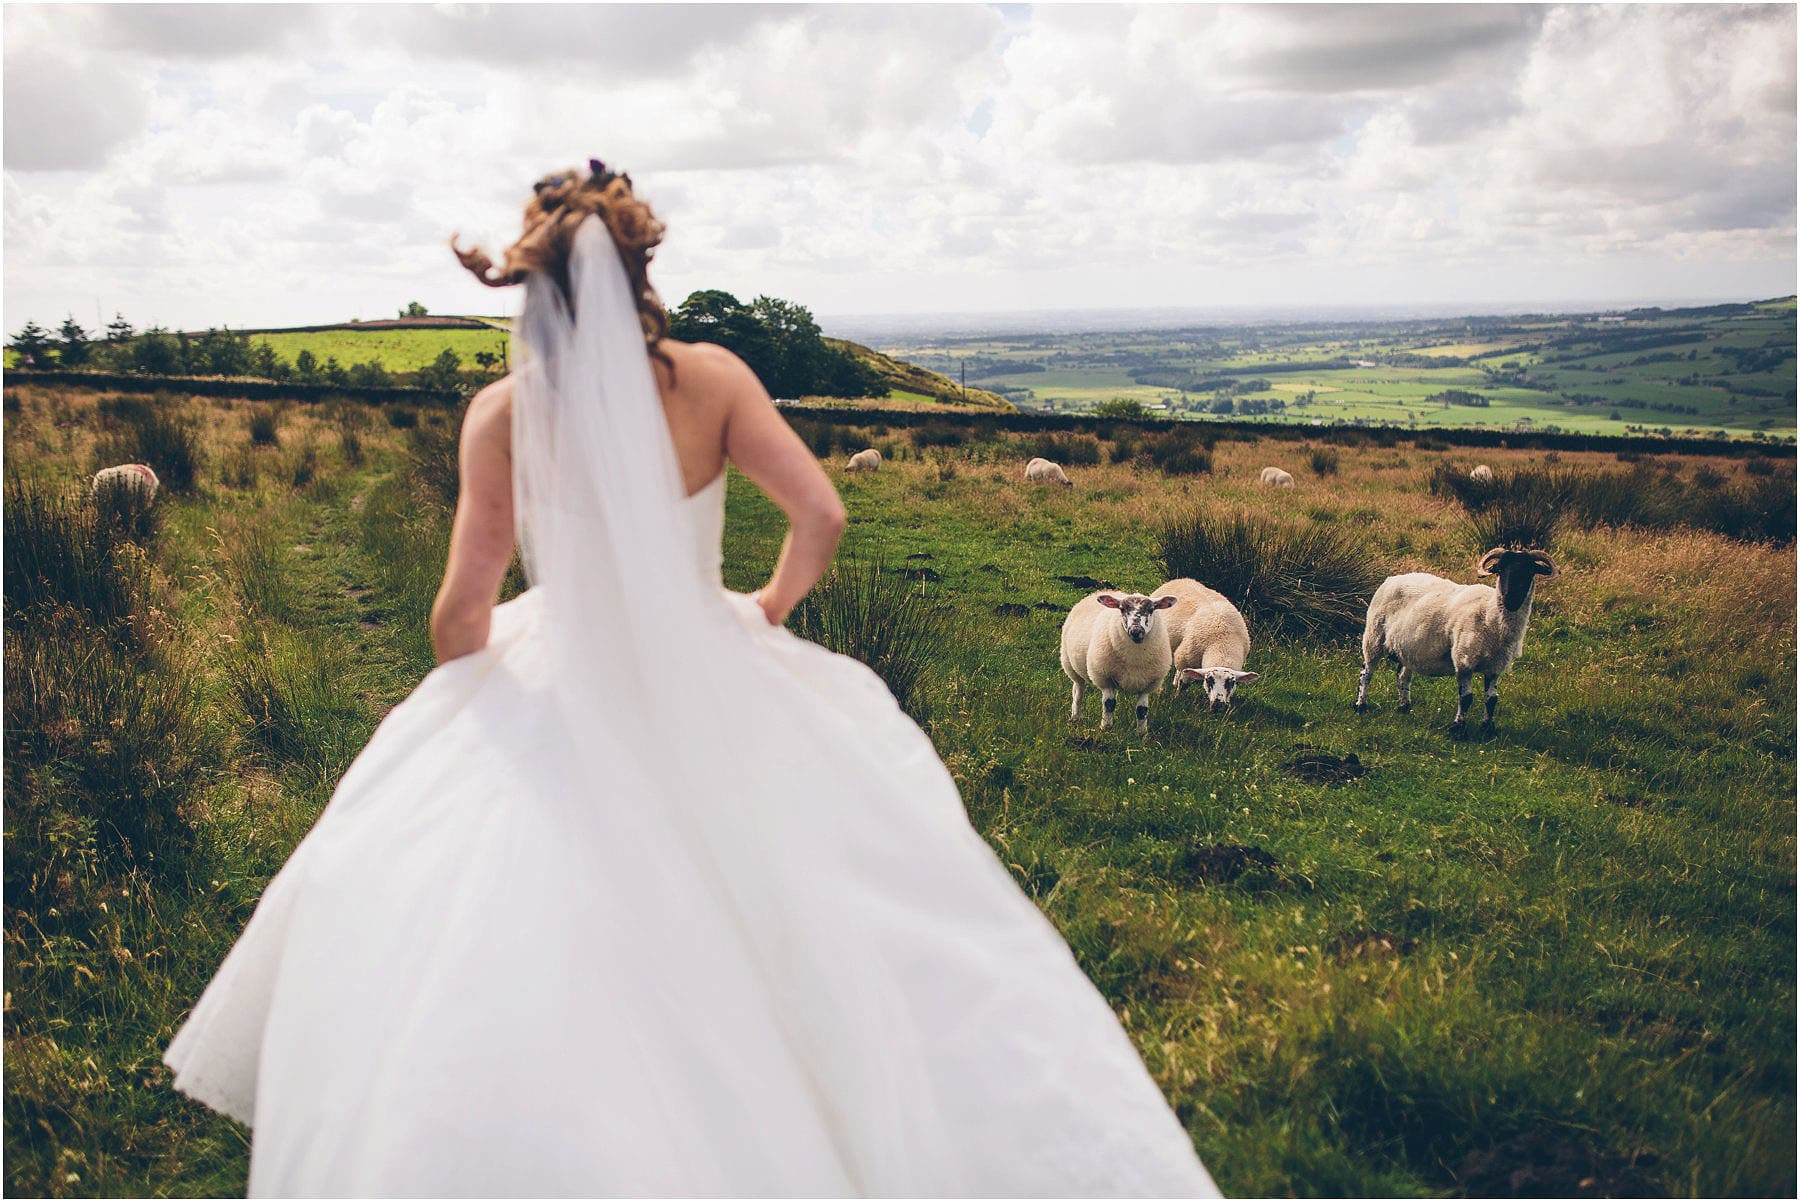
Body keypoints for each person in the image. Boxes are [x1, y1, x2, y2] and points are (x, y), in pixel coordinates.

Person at [165, 161, 1220, 1198]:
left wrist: (477, 683)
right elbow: (824, 513)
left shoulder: (502, 412)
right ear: (641, 268)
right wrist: (759, 609)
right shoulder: (711, 377)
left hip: (556, 677)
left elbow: (460, 612)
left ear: (534, 285)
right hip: (713, 663)